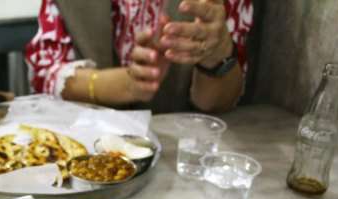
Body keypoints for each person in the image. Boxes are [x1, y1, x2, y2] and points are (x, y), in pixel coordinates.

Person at [25, 0, 252, 114]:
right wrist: (126, 84)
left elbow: (222, 103)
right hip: (88, 148)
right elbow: (44, 74)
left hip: (189, 157)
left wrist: (217, 54)